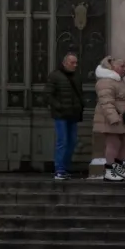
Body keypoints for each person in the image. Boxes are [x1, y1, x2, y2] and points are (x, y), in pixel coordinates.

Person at [93, 56, 125, 182]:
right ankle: (109, 170)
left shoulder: (118, 80)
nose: (124, 69)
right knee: (113, 143)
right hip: (112, 118)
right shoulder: (106, 81)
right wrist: (113, 118)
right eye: (122, 66)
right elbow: (106, 102)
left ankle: (118, 167)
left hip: (123, 118)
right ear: (112, 67)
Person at [46, 52, 85, 180]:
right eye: (72, 62)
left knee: (72, 141)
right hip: (61, 114)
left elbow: (79, 94)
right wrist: (58, 106)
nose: (75, 65)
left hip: (73, 114)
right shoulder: (55, 76)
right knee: (62, 141)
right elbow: (48, 95)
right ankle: (59, 169)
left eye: (76, 62)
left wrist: (80, 107)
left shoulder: (76, 77)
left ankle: (66, 167)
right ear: (64, 63)